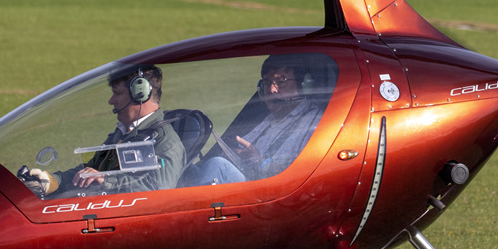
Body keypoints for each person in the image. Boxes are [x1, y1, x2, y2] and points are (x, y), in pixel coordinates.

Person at [20, 65, 186, 197]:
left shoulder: (165, 142)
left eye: (117, 93)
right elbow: (90, 171)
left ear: (140, 94)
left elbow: (159, 190)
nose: (111, 101)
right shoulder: (123, 134)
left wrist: (105, 179)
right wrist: (53, 181)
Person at [184, 55, 328, 186]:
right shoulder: (269, 120)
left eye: (281, 81)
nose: (271, 89)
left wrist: (261, 162)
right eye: (266, 83)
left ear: (303, 85)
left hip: (274, 194)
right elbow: (245, 153)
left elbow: (303, 175)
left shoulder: (314, 122)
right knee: (186, 166)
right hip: (249, 186)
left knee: (217, 165)